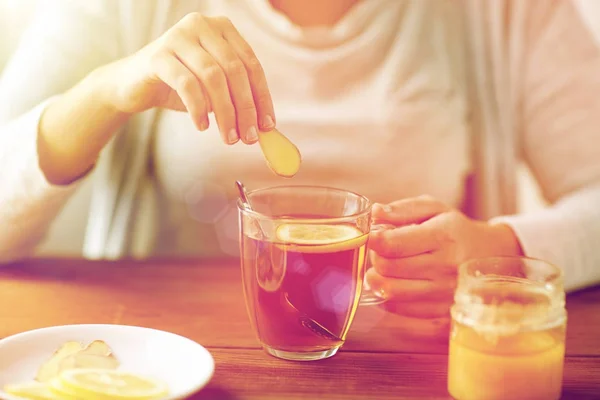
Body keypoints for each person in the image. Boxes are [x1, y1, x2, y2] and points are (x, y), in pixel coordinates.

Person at [1, 0, 599, 332]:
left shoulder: (508, 11)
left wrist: (499, 248)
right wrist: (107, 91)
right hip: (167, 359)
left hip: (413, 367)